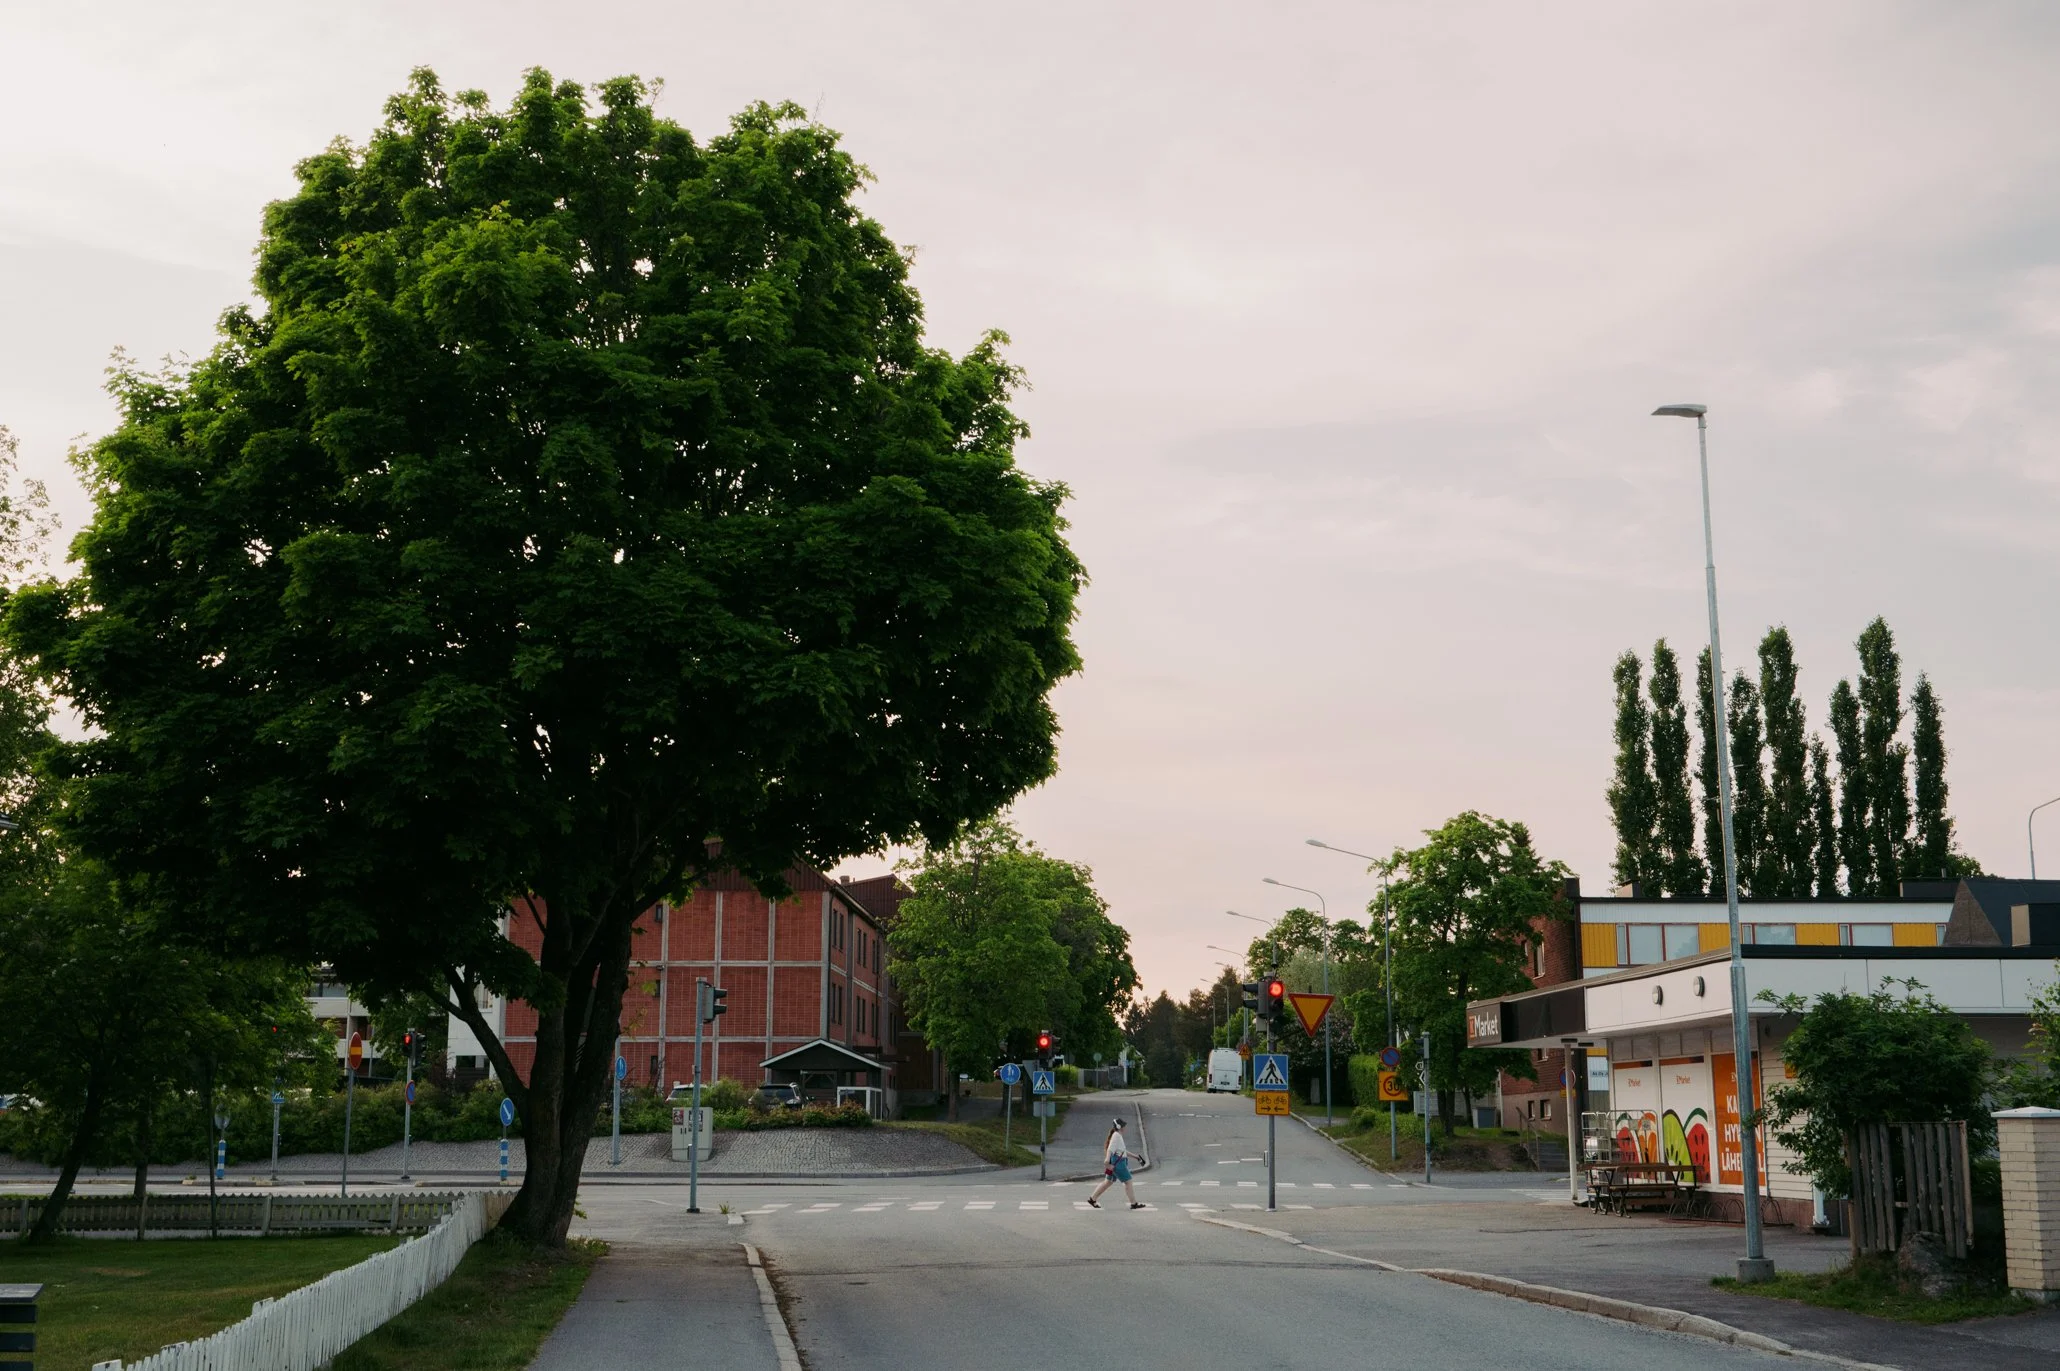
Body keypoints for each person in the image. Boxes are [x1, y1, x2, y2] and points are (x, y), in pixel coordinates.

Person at [1087, 1117, 1143, 1209]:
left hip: (1116, 1161)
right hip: (1118, 1163)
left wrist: (1136, 1156)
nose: (1125, 1127)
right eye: (1124, 1125)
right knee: (1128, 1182)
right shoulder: (1116, 1136)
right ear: (1119, 1126)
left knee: (1108, 1182)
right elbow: (1110, 1149)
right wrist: (1107, 1161)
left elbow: (1122, 1151)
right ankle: (1134, 1203)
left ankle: (1092, 1199)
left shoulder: (1117, 1136)